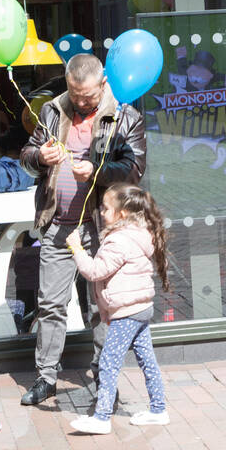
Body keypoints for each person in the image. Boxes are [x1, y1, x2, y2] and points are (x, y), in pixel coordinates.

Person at [17, 53, 147, 407]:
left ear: (103, 82)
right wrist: (39, 158)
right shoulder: (52, 111)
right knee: (50, 305)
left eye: (88, 96)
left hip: (101, 229)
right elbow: (27, 156)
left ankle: (105, 378)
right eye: (75, 95)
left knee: (102, 307)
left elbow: (134, 168)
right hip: (58, 226)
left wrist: (97, 172)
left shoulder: (123, 116)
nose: (81, 102)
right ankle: (45, 378)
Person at [66, 184, 170, 434]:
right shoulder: (137, 233)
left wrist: (77, 249)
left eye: (106, 208)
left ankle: (102, 417)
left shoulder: (119, 241)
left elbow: (94, 272)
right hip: (141, 307)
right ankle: (158, 409)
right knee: (147, 360)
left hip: (127, 311)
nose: (101, 212)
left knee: (108, 362)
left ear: (122, 213)